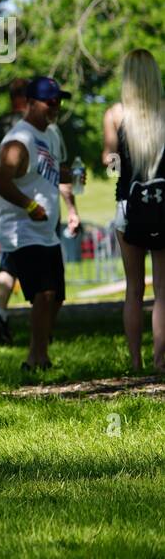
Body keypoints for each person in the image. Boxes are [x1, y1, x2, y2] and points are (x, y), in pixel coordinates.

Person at [0, 80, 79, 343]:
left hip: (47, 229)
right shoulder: (19, 139)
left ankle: (41, 342)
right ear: (31, 103)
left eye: (59, 101)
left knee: (56, 296)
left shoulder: (50, 134)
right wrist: (30, 206)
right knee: (44, 293)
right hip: (22, 228)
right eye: (50, 102)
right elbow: (1, 181)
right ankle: (37, 355)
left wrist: (70, 175)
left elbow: (51, 171)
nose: (56, 107)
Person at [102, 48, 165, 373]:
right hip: (161, 205)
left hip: (128, 206)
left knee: (134, 289)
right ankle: (160, 361)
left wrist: (114, 160)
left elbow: (110, 161)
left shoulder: (115, 114)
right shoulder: (163, 112)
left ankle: (135, 362)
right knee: (162, 292)